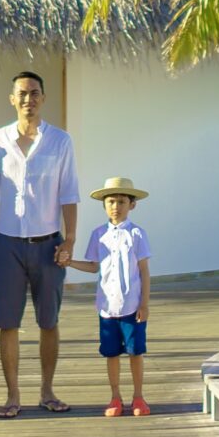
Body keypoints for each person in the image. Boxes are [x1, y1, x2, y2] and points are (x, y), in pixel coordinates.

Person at [0, 69, 80, 418]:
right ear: (12, 99)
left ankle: (47, 390)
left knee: (48, 321)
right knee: (8, 322)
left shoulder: (60, 141)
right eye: (21, 93)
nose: (28, 99)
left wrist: (70, 240)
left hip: (49, 244)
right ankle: (12, 395)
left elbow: (69, 194)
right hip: (8, 245)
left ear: (43, 98)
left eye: (34, 93)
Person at [72, 176, 152, 417]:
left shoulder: (137, 234)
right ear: (104, 205)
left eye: (121, 202)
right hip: (107, 306)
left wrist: (144, 303)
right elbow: (93, 266)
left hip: (132, 305)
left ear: (132, 205)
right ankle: (115, 397)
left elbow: (144, 271)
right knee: (111, 353)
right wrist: (70, 263)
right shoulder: (98, 234)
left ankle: (138, 397)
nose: (115, 207)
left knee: (135, 352)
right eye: (110, 202)